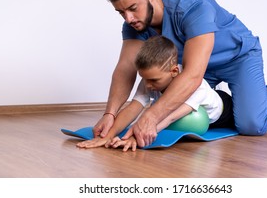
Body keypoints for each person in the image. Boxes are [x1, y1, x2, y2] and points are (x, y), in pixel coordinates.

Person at [93, 0, 267, 148]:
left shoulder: (192, 7)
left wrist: (151, 116)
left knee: (252, 125)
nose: (128, 18)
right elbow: (125, 68)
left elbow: (193, 75)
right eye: (121, 12)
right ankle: (235, 102)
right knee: (183, 116)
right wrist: (110, 114)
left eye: (132, 8)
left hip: (237, 57)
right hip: (196, 66)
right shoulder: (134, 25)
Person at [77, 35, 234, 151]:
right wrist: (108, 136)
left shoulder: (195, 87)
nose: (147, 85)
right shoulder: (150, 78)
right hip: (189, 117)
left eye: (153, 80)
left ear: (173, 71)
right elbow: (133, 107)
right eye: (144, 79)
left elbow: (168, 118)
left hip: (222, 112)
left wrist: (134, 137)